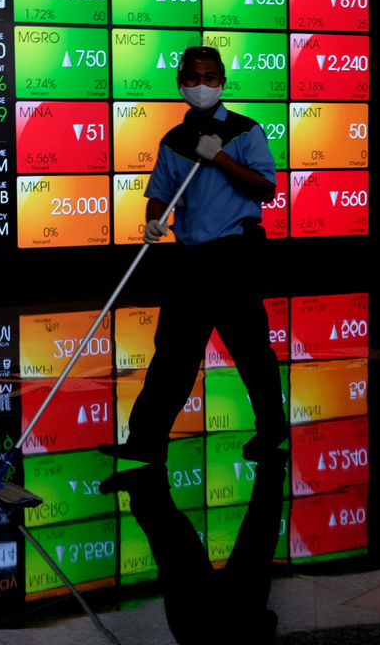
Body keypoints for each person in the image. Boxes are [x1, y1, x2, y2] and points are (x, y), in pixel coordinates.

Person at [100, 45, 288, 465]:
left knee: (250, 349)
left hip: (234, 254)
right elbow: (161, 194)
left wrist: (219, 157)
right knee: (173, 352)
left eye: (209, 77)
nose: (201, 85)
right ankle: (146, 440)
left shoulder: (244, 130)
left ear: (223, 81)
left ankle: (272, 429)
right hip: (189, 258)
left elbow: (266, 189)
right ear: (180, 83)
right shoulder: (173, 140)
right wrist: (154, 221)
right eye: (192, 77)